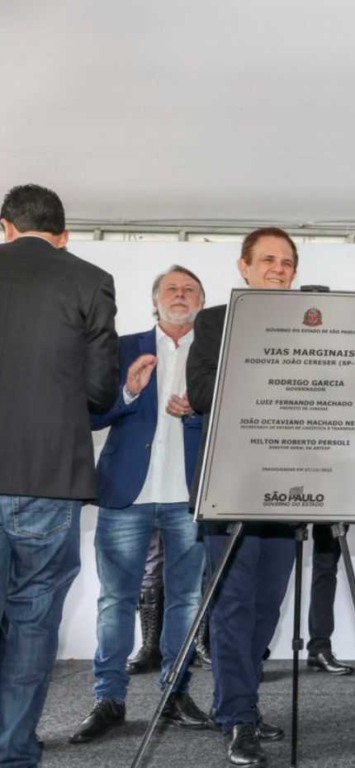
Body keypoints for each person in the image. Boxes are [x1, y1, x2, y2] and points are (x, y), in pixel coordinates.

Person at [0, 183, 119, 766]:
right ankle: (14, 751)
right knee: (31, 622)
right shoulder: (89, 279)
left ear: (5, 228)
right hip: (49, 477)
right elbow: (100, 391)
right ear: (63, 234)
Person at [70, 266, 213, 744]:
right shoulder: (123, 347)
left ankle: (176, 694)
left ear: (201, 300)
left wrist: (201, 408)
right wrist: (129, 391)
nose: (180, 295)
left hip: (190, 497)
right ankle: (108, 699)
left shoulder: (215, 353)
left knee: (188, 602)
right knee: (115, 602)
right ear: (155, 300)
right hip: (127, 495)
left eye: (189, 289)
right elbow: (92, 414)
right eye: (171, 289)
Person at [188, 228, 302, 767]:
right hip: (230, 487)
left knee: (265, 606)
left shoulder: (309, 325)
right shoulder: (214, 322)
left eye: (287, 263)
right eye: (269, 261)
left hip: (292, 486)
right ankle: (235, 717)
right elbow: (204, 393)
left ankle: (243, 704)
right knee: (232, 605)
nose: (279, 270)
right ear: (244, 267)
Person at [305, 524, 353, 675]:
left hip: (333, 504)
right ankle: (252, 656)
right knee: (324, 570)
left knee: (325, 569)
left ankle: (319, 649)